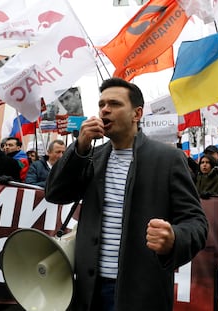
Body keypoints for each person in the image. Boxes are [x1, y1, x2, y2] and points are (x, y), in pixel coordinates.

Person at [45, 78, 208, 311]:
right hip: (88, 290)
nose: (105, 110)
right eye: (101, 104)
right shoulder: (93, 156)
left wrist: (174, 238)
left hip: (140, 291)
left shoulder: (168, 159)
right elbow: (55, 193)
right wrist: (79, 147)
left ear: (137, 113)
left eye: (114, 104)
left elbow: (197, 222)